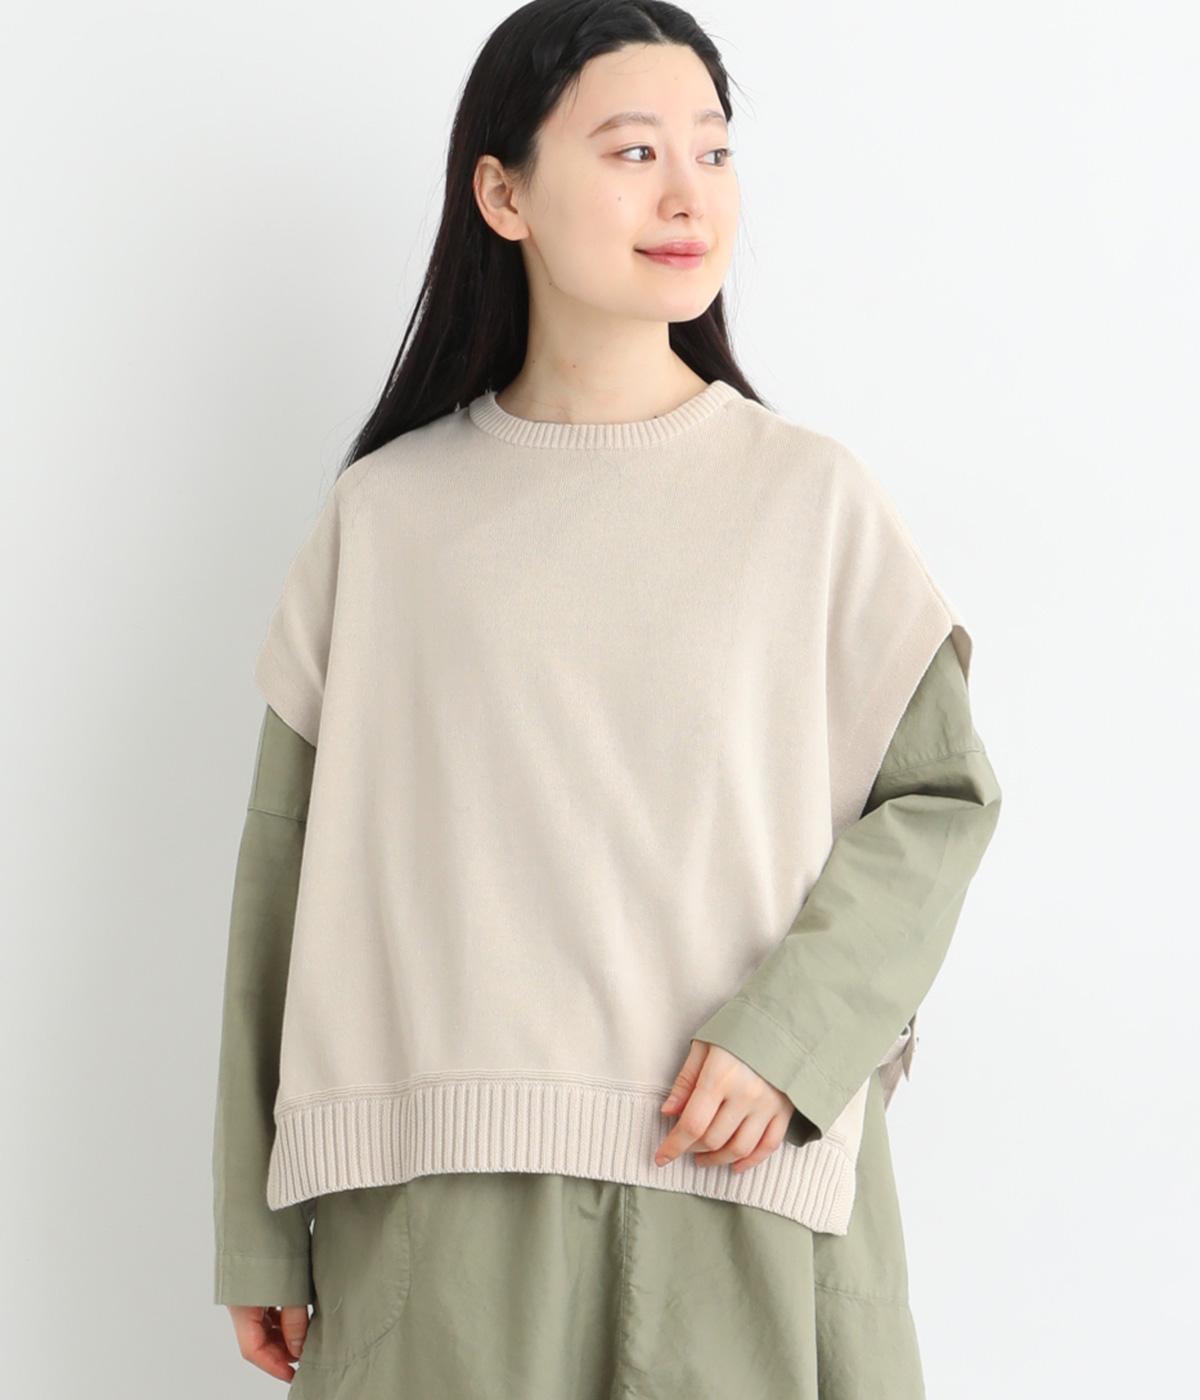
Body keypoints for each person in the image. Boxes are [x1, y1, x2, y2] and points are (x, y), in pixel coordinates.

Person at [212, 4, 1002, 1397]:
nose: (689, 192)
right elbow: (285, 871)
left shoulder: (811, 502)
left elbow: (938, 803)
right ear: (503, 193)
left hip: (742, 1196)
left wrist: (792, 1037)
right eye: (635, 151)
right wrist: (257, 1222)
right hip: (444, 1230)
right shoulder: (386, 521)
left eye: (714, 150)